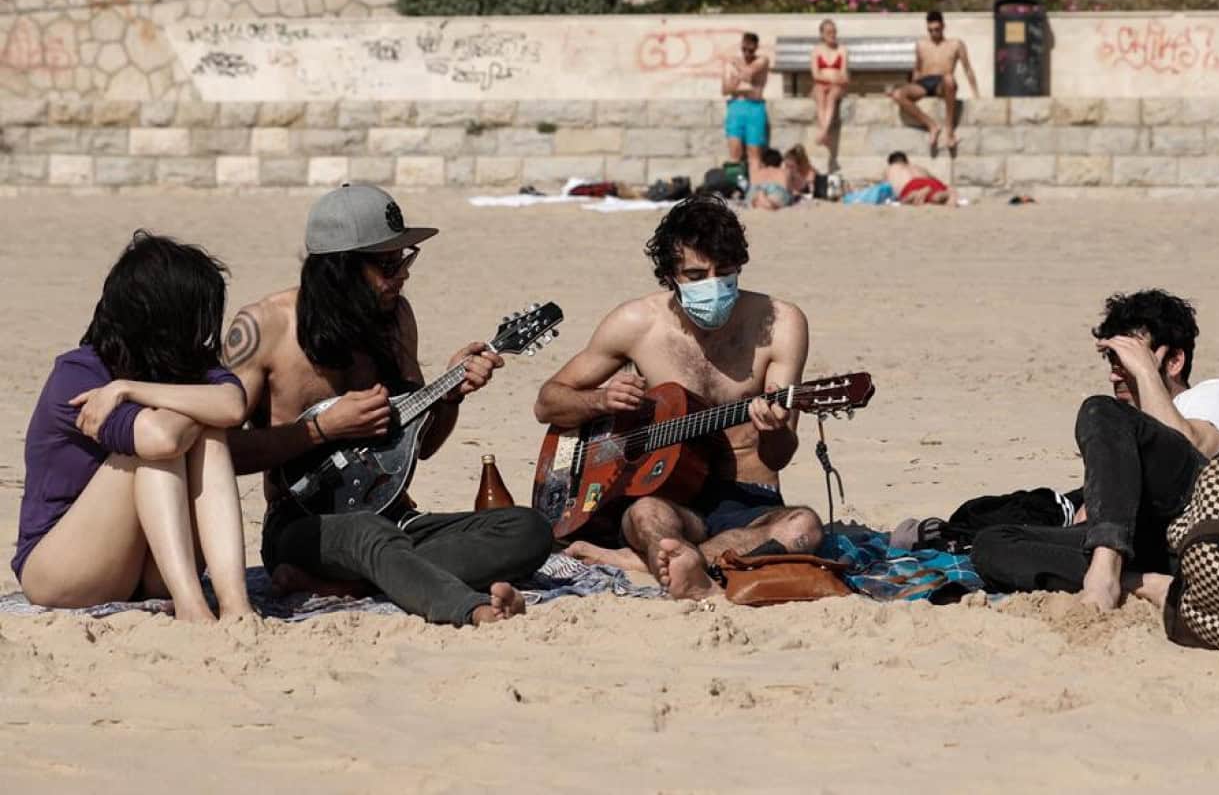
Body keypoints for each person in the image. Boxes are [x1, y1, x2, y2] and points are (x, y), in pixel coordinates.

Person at [223, 184, 552, 626]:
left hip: (395, 516)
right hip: (302, 524)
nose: (403, 275)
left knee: (527, 530)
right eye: (387, 264)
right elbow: (220, 452)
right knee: (367, 534)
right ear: (340, 268)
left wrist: (449, 397)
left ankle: (354, 583)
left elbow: (423, 446)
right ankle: (468, 607)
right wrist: (322, 430)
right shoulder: (264, 327)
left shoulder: (396, 319)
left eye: (405, 258)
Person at [533, 195, 822, 600]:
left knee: (803, 527)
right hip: (664, 493)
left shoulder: (780, 323)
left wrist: (771, 430)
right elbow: (548, 402)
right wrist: (600, 401)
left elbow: (779, 457)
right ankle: (676, 555)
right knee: (647, 514)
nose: (713, 285)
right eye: (696, 274)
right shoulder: (636, 323)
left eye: (725, 273)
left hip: (747, 496)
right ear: (670, 275)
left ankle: (655, 561)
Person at [14, 233, 254, 622]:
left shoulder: (179, 364)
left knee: (209, 435)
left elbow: (232, 406)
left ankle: (235, 604)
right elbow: (161, 439)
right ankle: (192, 607)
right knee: (155, 448)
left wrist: (128, 388)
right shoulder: (79, 373)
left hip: (145, 567)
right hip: (62, 569)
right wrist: (187, 405)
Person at [972, 290, 1219, 612]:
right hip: (1150, 549)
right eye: (1113, 362)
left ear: (1175, 361)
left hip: (1200, 529)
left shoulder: (1215, 394)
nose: (1114, 374)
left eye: (1125, 360)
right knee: (992, 545)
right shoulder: (1124, 425)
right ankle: (1146, 584)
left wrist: (1146, 373)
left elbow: (1194, 448)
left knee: (1099, 409)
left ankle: (1107, 572)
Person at [887, 10, 980, 149]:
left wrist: (976, 93)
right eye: (930, 30)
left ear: (943, 26)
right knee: (897, 94)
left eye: (936, 29)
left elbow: (967, 69)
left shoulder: (956, 44)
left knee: (949, 78)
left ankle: (949, 129)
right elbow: (917, 69)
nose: (933, 33)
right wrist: (908, 87)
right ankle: (931, 125)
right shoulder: (921, 45)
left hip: (941, 83)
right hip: (923, 83)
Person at [722, 32, 772, 175]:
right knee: (734, 149)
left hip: (755, 107)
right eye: (744, 49)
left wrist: (737, 76)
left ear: (756, 48)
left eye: (751, 50)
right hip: (736, 106)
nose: (747, 53)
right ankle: (735, 185)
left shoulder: (762, 60)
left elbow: (749, 73)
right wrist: (744, 85)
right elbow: (725, 89)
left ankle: (755, 184)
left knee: (754, 152)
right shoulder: (730, 63)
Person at [809, 19, 849, 148]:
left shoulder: (842, 50)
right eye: (828, 32)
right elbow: (815, 74)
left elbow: (844, 75)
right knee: (820, 95)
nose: (832, 35)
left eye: (834, 32)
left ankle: (823, 132)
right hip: (821, 84)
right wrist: (830, 80)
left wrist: (835, 82)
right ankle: (825, 132)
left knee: (831, 97)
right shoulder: (816, 50)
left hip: (837, 86)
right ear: (822, 34)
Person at [885, 151, 952, 206]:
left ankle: (916, 193)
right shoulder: (918, 167)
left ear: (890, 163)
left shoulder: (890, 168)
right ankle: (947, 194)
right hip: (930, 182)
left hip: (911, 185)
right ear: (907, 160)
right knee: (936, 197)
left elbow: (875, 179)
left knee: (904, 200)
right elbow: (935, 179)